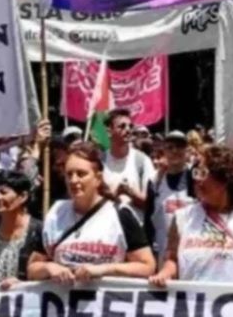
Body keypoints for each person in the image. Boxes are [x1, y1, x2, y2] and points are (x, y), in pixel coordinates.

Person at [148, 144, 233, 292]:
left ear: (224, 179)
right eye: (195, 172)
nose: (197, 179)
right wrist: (165, 273)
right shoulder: (182, 218)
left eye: (203, 173)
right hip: (194, 304)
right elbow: (172, 259)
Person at [28, 142, 155, 283]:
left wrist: (103, 270)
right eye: (69, 174)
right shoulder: (55, 213)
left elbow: (147, 266)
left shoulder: (120, 214)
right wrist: (49, 268)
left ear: (98, 179)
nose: (73, 180)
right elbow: (32, 268)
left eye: (81, 174)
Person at [149, 131, 197, 263]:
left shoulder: (196, 179)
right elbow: (148, 217)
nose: (175, 151)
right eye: (170, 147)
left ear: (187, 150)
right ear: (164, 151)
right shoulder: (155, 181)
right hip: (163, 255)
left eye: (179, 147)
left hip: (191, 254)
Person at [101, 108, 155, 212]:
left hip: (134, 221)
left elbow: (151, 203)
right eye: (122, 126)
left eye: (130, 126)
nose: (128, 130)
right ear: (109, 131)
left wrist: (129, 192)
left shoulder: (143, 161)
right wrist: (114, 194)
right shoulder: (99, 161)